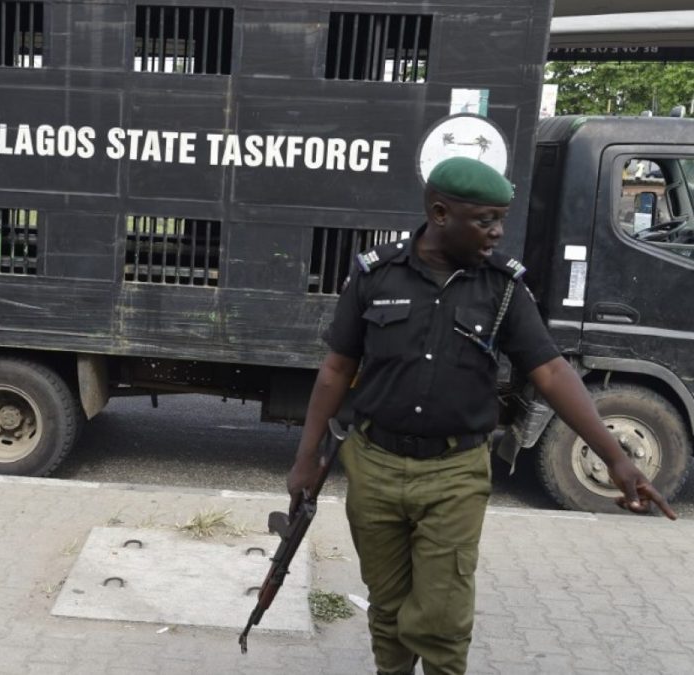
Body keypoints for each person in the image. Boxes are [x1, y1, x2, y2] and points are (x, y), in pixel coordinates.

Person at [287, 156, 677, 675]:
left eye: (501, 220)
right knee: (387, 606)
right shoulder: (375, 275)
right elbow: (337, 370)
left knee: (442, 620)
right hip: (374, 466)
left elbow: (552, 373)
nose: (497, 233)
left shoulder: (502, 288)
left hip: (454, 473)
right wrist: (307, 456)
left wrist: (615, 458)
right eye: (486, 220)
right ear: (441, 212)